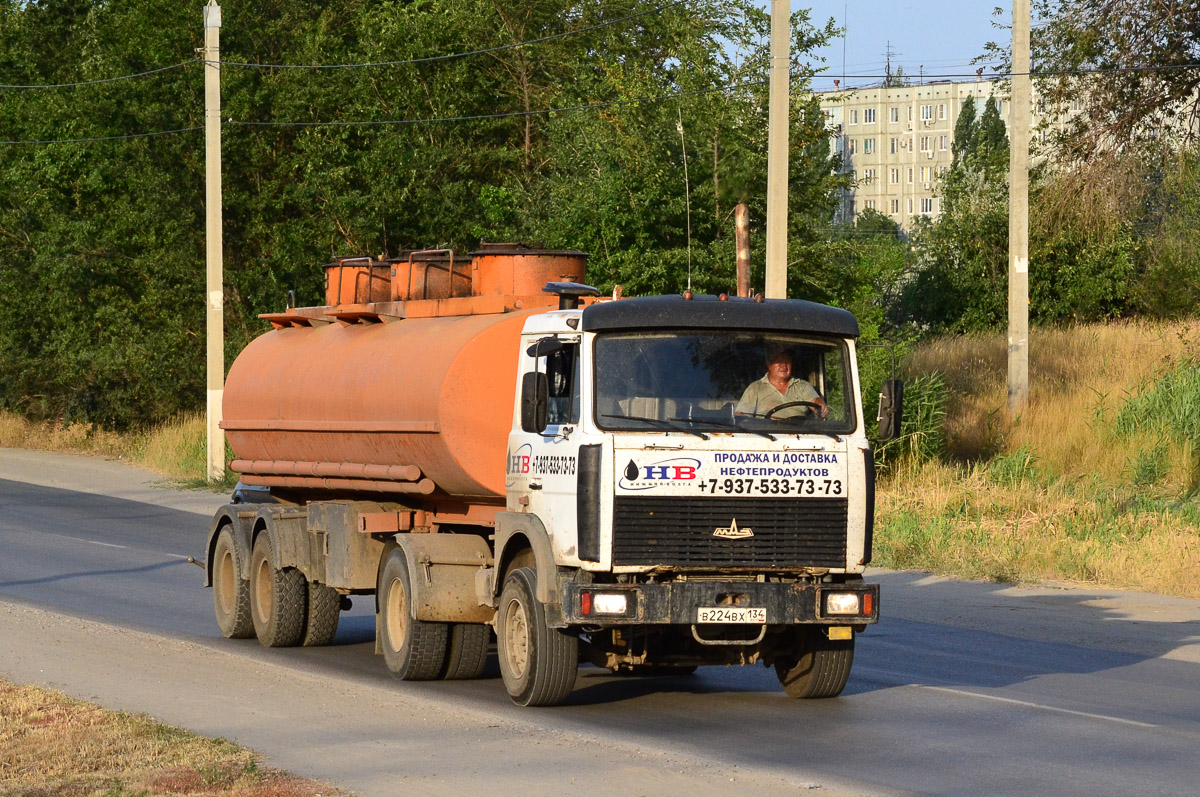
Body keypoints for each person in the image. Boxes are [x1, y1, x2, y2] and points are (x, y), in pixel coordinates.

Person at [735, 349, 829, 420]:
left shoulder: (802, 386)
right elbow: (742, 417)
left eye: (787, 362)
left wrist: (820, 406)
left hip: (801, 435)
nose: (784, 366)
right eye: (779, 362)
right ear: (769, 364)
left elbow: (816, 402)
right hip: (765, 438)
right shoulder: (755, 388)